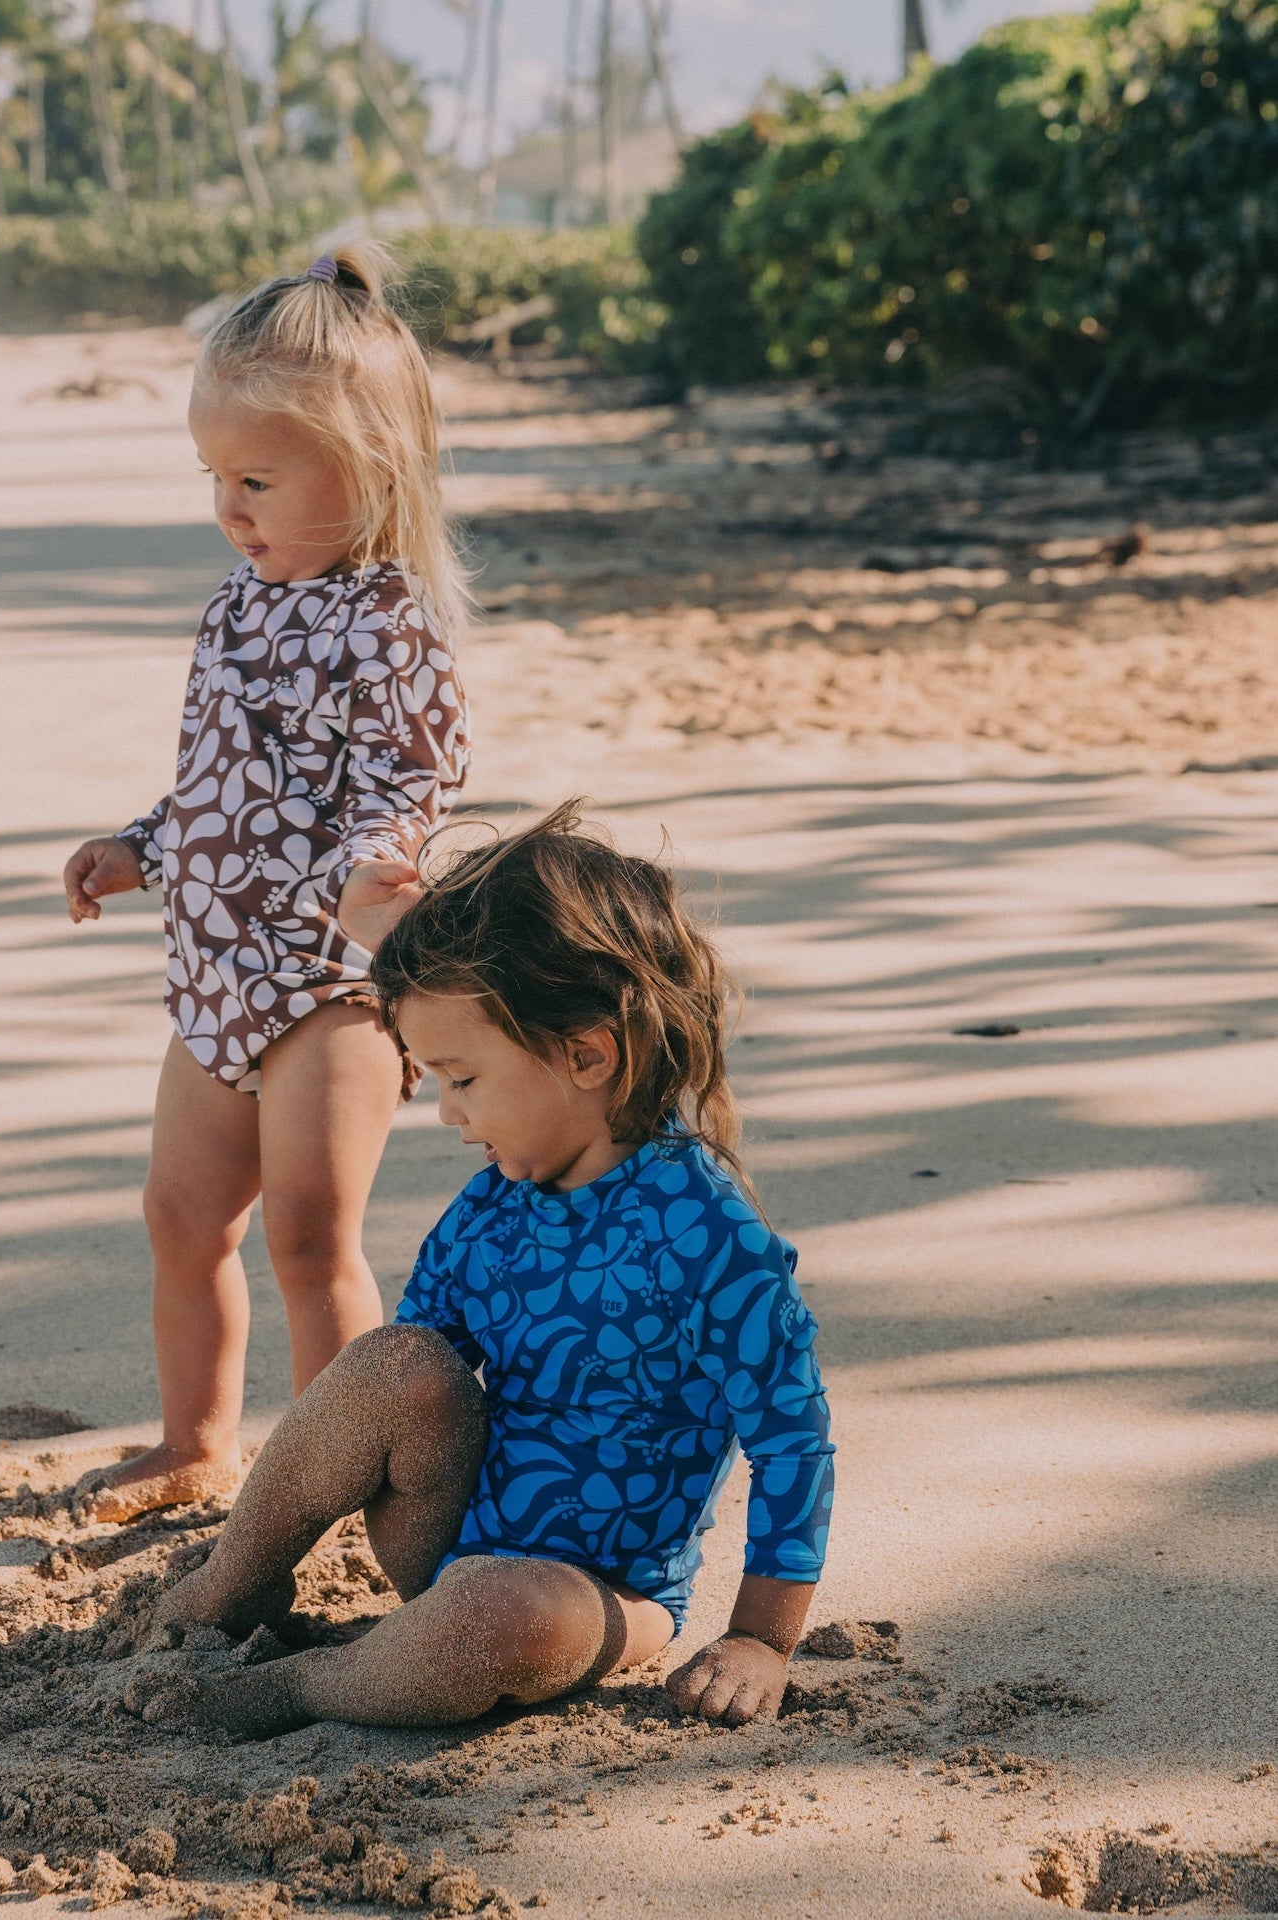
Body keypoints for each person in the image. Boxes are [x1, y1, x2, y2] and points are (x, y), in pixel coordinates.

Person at [120, 801, 834, 1736]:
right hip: (446, 1535)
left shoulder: (714, 1239)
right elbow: (412, 1390)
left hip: (594, 1597)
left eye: (462, 1077)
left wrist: (760, 1641)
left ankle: (297, 1688)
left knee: (500, 1616)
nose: (449, 1113)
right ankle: (233, 1583)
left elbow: (794, 1443)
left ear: (584, 1055)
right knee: (395, 1360)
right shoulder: (491, 1208)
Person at [61, 248, 470, 1524]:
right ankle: (197, 1443)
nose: (232, 508)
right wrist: (144, 842)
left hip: (330, 980)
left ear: (372, 468)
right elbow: (217, 777)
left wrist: (374, 869)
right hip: (217, 976)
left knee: (306, 1235)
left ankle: (346, 1483)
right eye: (215, 481)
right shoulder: (237, 606)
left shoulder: (385, 616)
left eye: (259, 479)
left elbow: (414, 769)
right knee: (183, 1218)